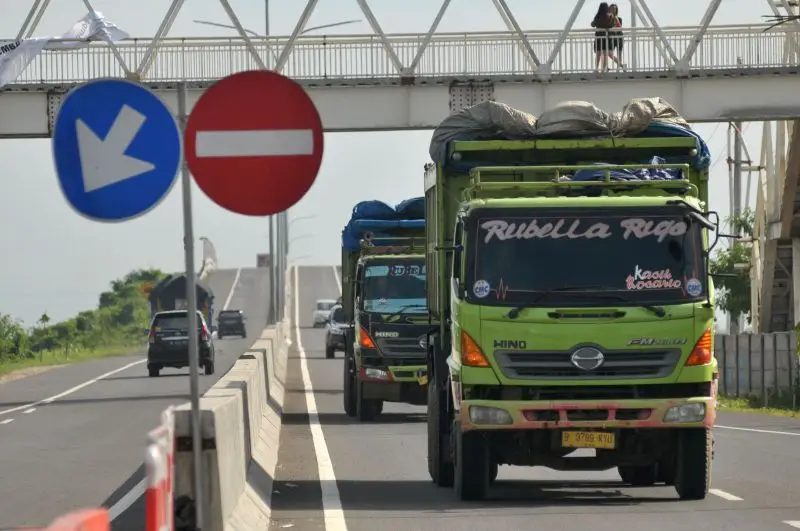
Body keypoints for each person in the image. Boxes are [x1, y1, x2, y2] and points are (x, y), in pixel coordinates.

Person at [591, 2, 618, 72]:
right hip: (606, 37)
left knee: (598, 54)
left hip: (598, 37)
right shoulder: (610, 16)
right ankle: (604, 68)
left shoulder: (598, 16)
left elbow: (592, 24)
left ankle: (596, 68)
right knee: (605, 53)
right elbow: (612, 25)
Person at [608, 4, 626, 70]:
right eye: (612, 9)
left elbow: (618, 27)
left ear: (616, 10)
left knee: (619, 53)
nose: (613, 10)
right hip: (611, 38)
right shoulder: (607, 19)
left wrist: (615, 18)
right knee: (609, 53)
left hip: (619, 37)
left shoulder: (619, 19)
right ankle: (622, 66)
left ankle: (618, 69)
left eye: (614, 9)